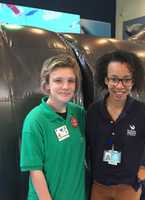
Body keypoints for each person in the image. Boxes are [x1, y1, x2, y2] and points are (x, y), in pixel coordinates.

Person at [86, 50, 145, 200]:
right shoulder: (93, 112)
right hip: (99, 187)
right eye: (114, 79)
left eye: (126, 80)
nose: (120, 86)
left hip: (129, 189)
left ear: (133, 81)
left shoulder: (143, 112)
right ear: (106, 80)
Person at [20, 54, 86, 200]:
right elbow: (35, 170)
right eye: (58, 81)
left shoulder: (78, 113)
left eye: (71, 81)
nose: (65, 86)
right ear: (47, 85)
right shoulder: (35, 120)